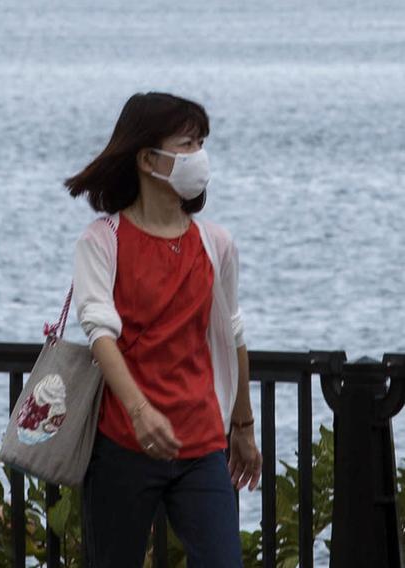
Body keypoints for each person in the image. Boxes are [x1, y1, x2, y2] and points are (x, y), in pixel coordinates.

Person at [64, 92, 262, 567]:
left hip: (202, 447)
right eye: (188, 144)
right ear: (148, 159)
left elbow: (233, 334)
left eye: (201, 144)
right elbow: (99, 332)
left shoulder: (215, 244)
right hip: (123, 447)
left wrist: (243, 426)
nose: (200, 156)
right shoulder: (102, 241)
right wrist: (140, 412)